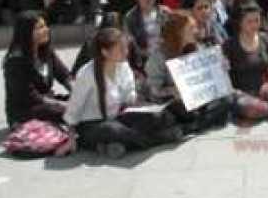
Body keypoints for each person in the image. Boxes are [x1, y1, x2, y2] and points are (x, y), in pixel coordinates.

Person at [64, 28, 183, 159]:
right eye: (120, 49)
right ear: (105, 52)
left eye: (126, 47)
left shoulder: (124, 67)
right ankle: (160, 139)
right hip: (92, 124)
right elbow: (73, 109)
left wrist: (145, 105)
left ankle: (113, 145)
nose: (126, 52)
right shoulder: (87, 74)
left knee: (157, 117)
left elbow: (129, 99)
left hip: (118, 117)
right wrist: (71, 138)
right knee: (113, 130)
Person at [144, 10, 229, 132]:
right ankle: (199, 123)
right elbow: (153, 90)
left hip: (198, 99)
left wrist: (221, 68)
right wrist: (172, 90)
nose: (196, 31)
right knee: (182, 110)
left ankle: (195, 125)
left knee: (227, 100)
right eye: (191, 28)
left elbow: (208, 75)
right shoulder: (158, 58)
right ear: (179, 32)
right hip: (174, 102)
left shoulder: (197, 48)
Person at [2, 11, 72, 126]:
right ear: (27, 32)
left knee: (82, 103)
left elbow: (64, 76)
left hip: (47, 101)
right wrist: (62, 105)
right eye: (40, 28)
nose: (46, 30)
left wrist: (77, 92)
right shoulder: (15, 62)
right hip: (27, 109)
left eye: (45, 26)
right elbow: (30, 97)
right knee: (69, 111)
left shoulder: (46, 52)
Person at [123, 0, 171, 74]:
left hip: (166, 57)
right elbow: (129, 44)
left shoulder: (165, 12)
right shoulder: (130, 17)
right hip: (144, 61)